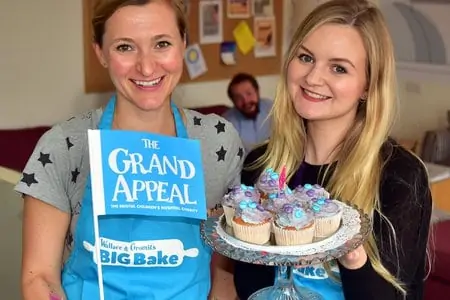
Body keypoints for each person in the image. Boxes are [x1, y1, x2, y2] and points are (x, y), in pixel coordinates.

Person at [16, 1, 244, 299]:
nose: (146, 67)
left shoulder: (217, 143)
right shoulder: (65, 147)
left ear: (183, 43)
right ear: (100, 52)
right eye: (125, 47)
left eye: (162, 43)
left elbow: (223, 273)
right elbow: (40, 278)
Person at [233, 0, 432, 299]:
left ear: (367, 85)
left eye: (338, 68)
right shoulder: (261, 167)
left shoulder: (399, 176)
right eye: (306, 57)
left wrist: (351, 254)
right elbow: (250, 285)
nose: (313, 78)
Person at [223, 73, 272, 153]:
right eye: (239, 98)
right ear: (233, 101)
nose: (246, 101)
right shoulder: (227, 122)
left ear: (257, 91)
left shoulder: (272, 108)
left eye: (249, 94)